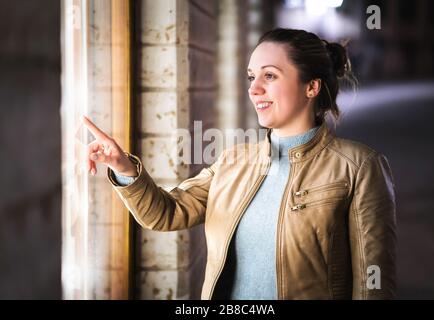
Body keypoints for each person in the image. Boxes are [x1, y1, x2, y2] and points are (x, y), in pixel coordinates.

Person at [83, 28, 397, 300]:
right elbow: (167, 213)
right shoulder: (234, 161)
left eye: (269, 76)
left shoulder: (358, 167)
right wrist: (123, 167)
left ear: (311, 87)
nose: (253, 88)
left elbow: (374, 284)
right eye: (251, 77)